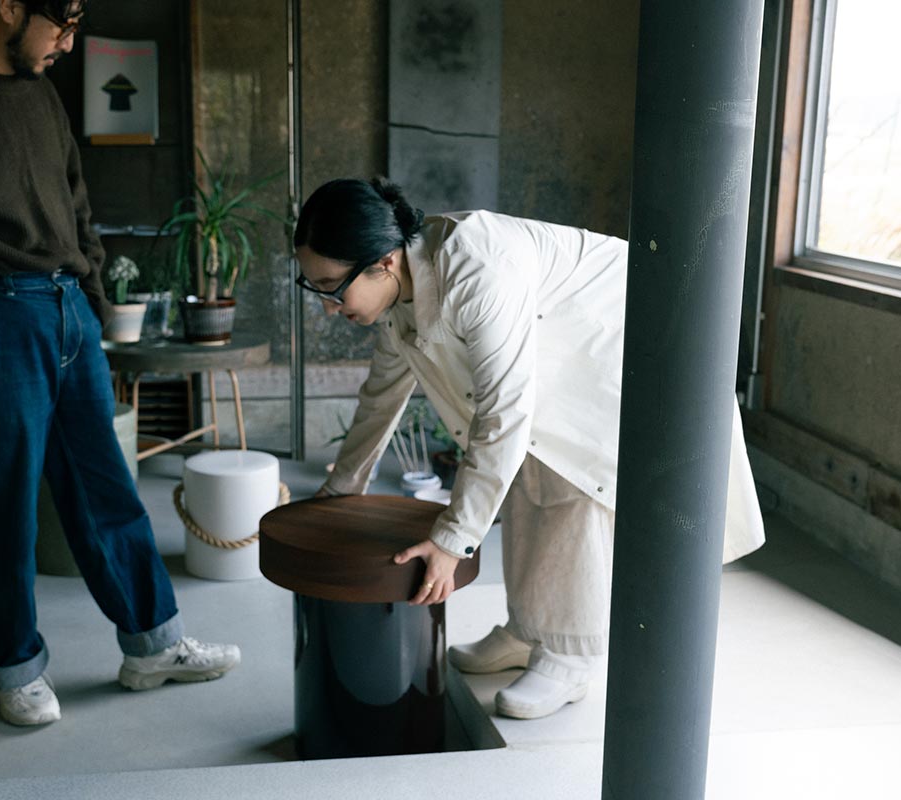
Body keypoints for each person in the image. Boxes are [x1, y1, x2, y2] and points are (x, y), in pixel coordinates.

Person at [0, 0, 239, 727]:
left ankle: (154, 644)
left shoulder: (38, 91)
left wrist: (91, 299)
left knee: (106, 486)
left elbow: (75, 201)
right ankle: (14, 668)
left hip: (66, 311)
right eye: (61, 23)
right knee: (4, 507)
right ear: (8, 5)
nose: (69, 41)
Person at [296, 178, 765, 720]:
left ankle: (570, 656)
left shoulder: (477, 270)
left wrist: (452, 542)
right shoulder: (399, 289)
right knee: (524, 475)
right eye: (317, 288)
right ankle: (529, 630)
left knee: (572, 476)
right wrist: (340, 490)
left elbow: (505, 414)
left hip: (631, 328)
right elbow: (381, 396)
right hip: (571, 337)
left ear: (383, 262)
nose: (328, 307)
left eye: (332, 287)